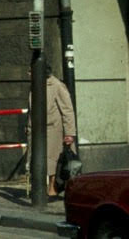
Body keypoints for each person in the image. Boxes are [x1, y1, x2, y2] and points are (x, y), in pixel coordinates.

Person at [45, 64, 76, 197]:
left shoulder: (56, 85)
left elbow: (67, 110)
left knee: (54, 162)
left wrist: (69, 133)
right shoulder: (35, 85)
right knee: (45, 161)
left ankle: (53, 189)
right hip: (40, 130)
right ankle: (48, 189)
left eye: (30, 71)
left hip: (54, 129)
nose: (28, 73)